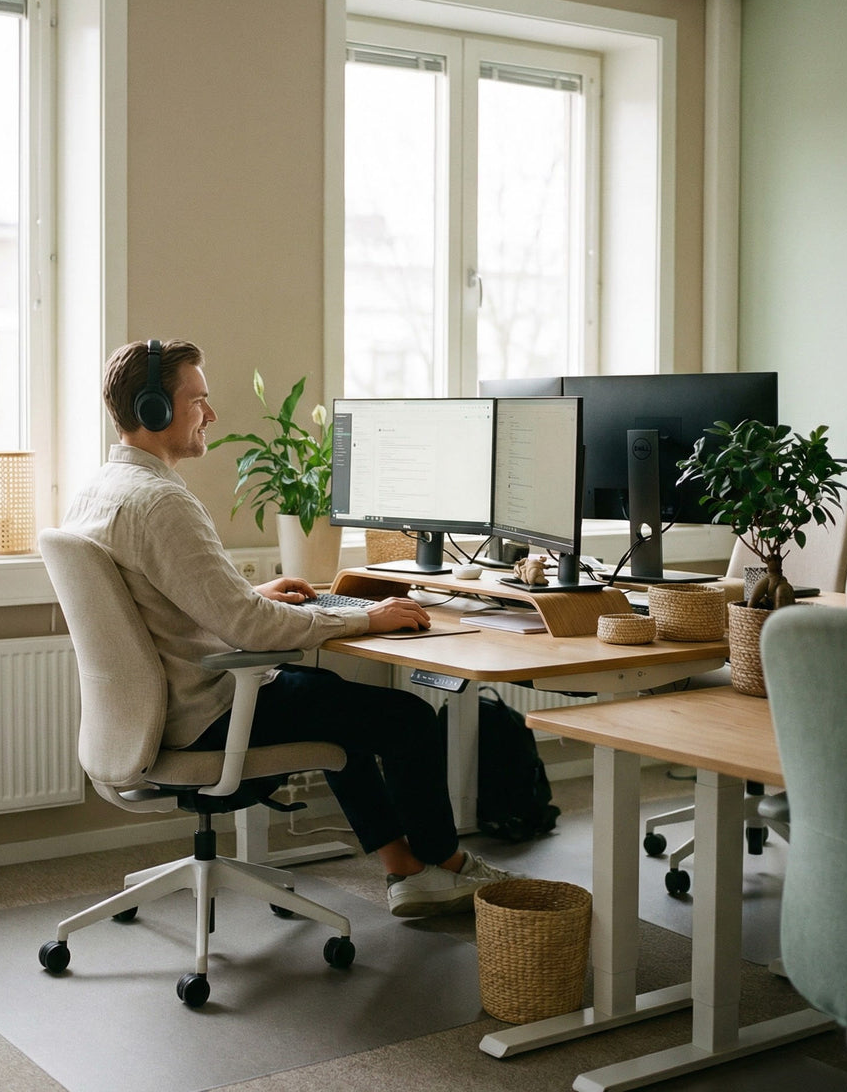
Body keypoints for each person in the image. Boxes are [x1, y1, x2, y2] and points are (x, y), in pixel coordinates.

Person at [62, 337, 519, 917]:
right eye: (199, 400)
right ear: (156, 410)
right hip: (206, 714)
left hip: (154, 710)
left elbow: (152, 603)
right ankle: (447, 866)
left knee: (339, 711)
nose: (212, 414)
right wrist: (366, 618)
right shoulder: (160, 502)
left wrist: (248, 592)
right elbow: (248, 628)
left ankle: (405, 869)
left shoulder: (100, 491)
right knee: (406, 719)